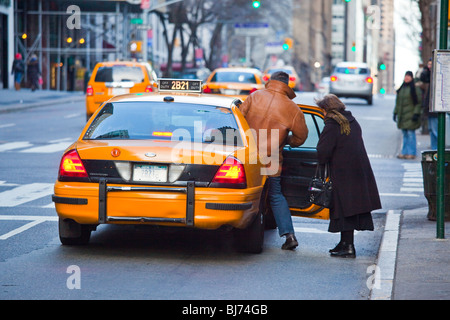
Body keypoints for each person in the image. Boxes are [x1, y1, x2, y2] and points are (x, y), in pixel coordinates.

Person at [240, 71, 308, 250]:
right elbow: (301, 137)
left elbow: (239, 120)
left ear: (271, 81)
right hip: (272, 159)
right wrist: (286, 141)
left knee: (249, 193)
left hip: (248, 156)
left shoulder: (255, 96)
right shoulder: (292, 108)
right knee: (276, 195)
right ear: (287, 85)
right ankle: (289, 235)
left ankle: (241, 229)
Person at [315, 94, 381, 258]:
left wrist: (321, 161)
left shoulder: (332, 124)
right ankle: (344, 243)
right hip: (358, 171)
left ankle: (348, 246)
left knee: (343, 208)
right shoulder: (351, 121)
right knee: (349, 208)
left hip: (342, 172)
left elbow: (323, 151)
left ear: (326, 109)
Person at [420, 59, 437, 149]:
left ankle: (437, 150)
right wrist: (427, 68)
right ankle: (434, 149)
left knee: (435, 131)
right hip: (429, 107)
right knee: (431, 130)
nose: (430, 66)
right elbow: (422, 78)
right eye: (428, 64)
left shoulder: (436, 75)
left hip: (435, 109)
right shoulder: (429, 74)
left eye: (431, 64)